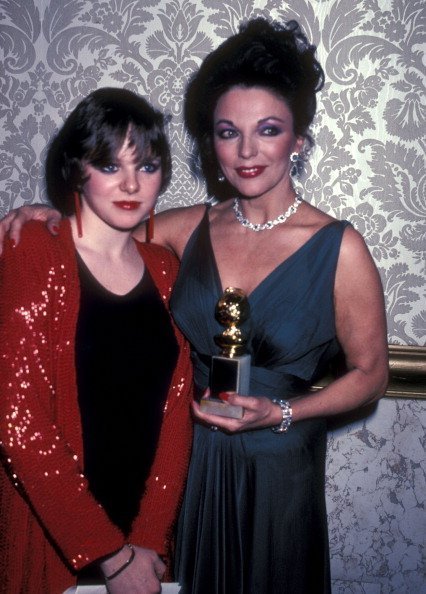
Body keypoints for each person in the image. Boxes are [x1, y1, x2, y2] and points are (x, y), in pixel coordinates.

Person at [0, 18, 389, 594]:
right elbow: (102, 230)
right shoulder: (183, 230)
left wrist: (284, 414)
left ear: (298, 139)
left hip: (279, 467)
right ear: (212, 141)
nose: (247, 150)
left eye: (269, 129)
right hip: (191, 468)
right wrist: (45, 210)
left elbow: (372, 374)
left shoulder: (340, 246)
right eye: (228, 132)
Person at [0, 87, 193, 594]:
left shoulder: (167, 270)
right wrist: (108, 554)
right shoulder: (33, 252)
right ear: (76, 170)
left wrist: (147, 541)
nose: (131, 183)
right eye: (109, 165)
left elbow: (176, 414)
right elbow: (18, 421)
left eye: (147, 166)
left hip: (143, 544)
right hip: (59, 535)